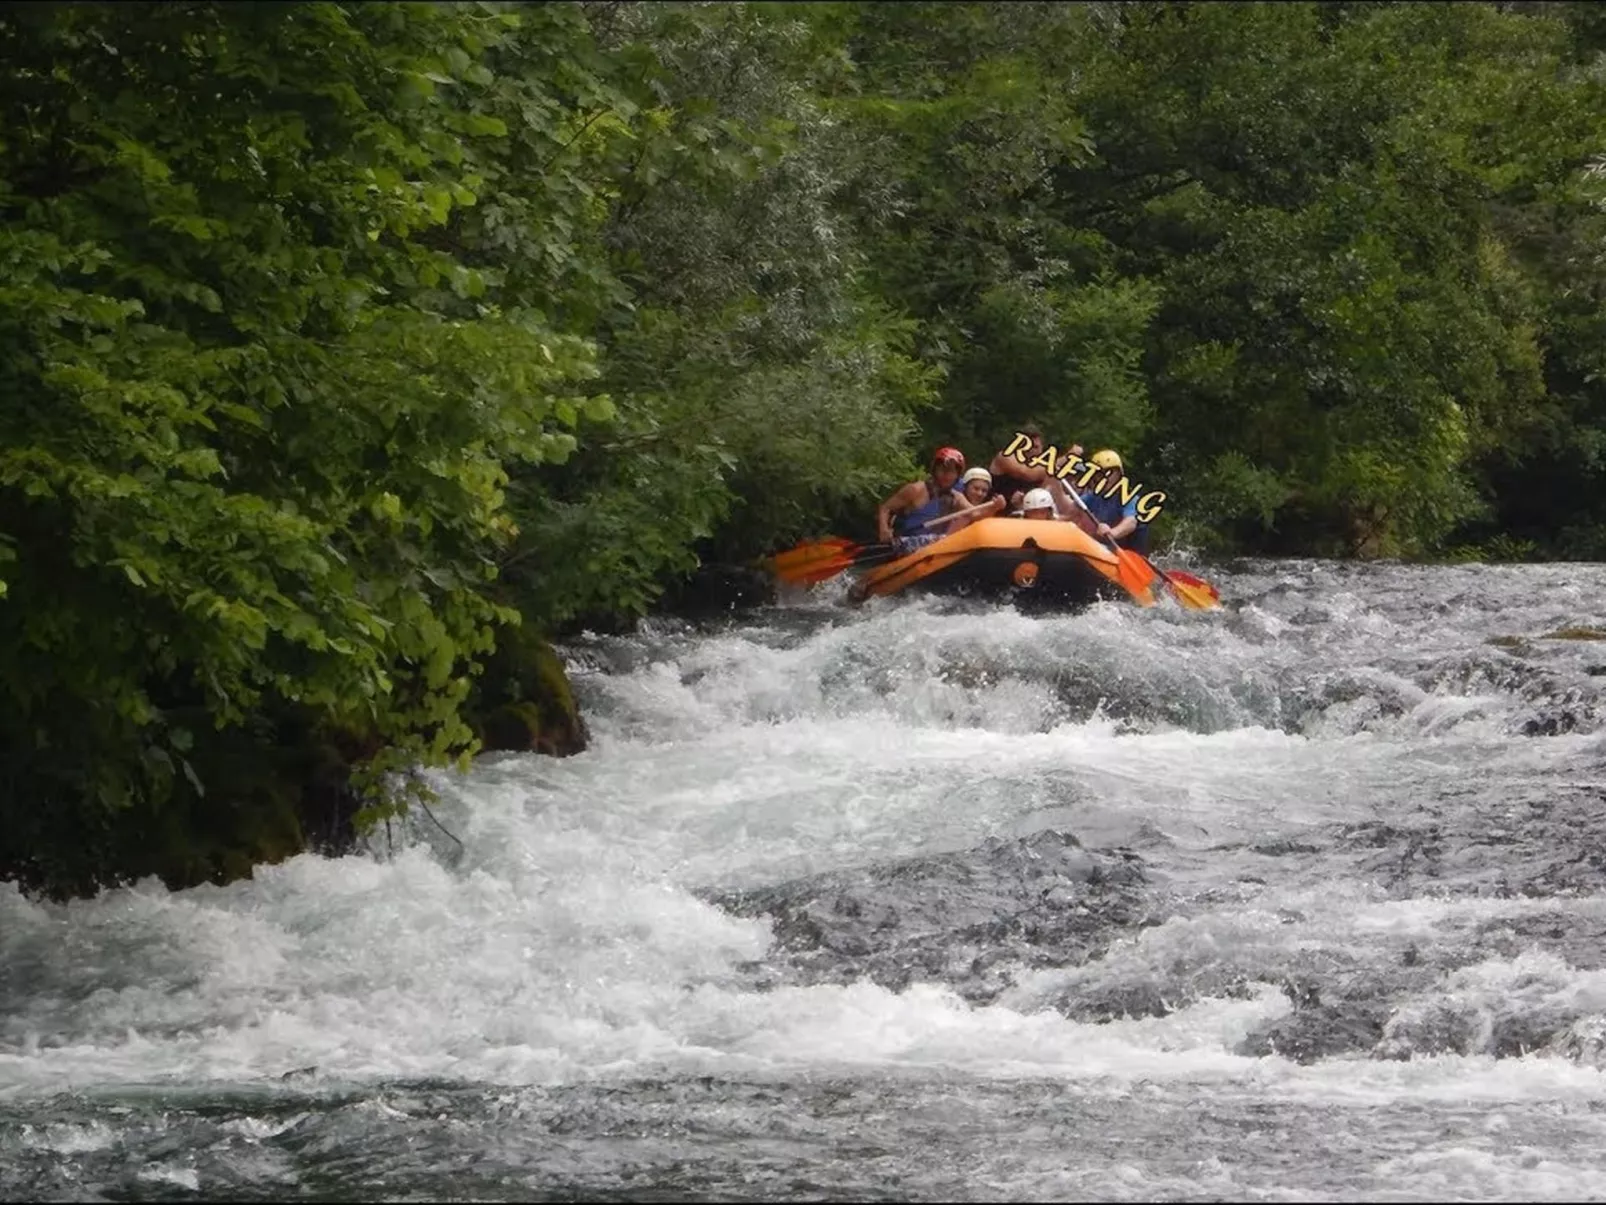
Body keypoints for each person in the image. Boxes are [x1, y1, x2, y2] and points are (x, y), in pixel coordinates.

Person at [876, 446, 969, 551]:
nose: (946, 475)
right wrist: (884, 529)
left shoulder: (957, 498)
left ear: (957, 475)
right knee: (938, 540)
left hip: (934, 548)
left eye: (951, 471)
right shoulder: (915, 490)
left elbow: (976, 513)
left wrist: (992, 506)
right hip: (905, 543)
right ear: (934, 470)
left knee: (942, 540)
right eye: (942, 469)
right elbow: (885, 508)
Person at [986, 425, 1085, 512]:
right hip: (998, 514)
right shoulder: (1006, 457)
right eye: (1031, 446)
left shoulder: (1043, 469)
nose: (1035, 450)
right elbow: (1027, 474)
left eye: (1038, 446)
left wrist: (1076, 510)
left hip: (1026, 516)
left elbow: (1060, 498)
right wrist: (1067, 456)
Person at [1077, 449, 1150, 554]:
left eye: (1109, 473)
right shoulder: (1093, 496)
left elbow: (1131, 522)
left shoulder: (1130, 499)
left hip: (1131, 554)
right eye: (1099, 474)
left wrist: (1113, 532)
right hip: (1107, 550)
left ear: (1119, 475)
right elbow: (1070, 509)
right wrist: (1055, 483)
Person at [944, 467, 1009, 532]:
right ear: (965, 487)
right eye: (976, 488)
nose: (979, 494)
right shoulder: (957, 498)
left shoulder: (985, 509)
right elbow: (975, 515)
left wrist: (996, 507)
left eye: (984, 491)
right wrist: (994, 508)